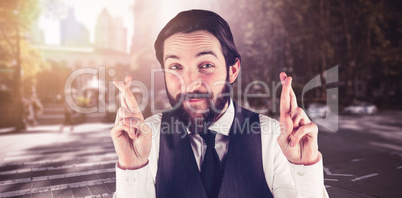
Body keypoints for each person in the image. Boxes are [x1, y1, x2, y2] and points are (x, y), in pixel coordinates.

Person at [111, 10, 329, 198]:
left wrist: (303, 168)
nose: (190, 83)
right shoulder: (149, 138)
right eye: (176, 67)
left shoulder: (272, 138)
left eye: (206, 64)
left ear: (232, 70)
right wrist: (133, 169)